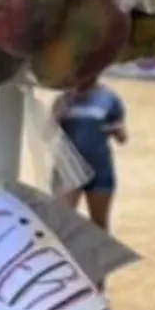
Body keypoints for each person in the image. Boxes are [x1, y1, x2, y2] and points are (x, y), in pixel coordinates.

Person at [53, 75, 129, 230]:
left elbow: (122, 137)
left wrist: (116, 130)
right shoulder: (63, 99)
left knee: (99, 225)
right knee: (61, 224)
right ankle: (65, 255)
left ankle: (99, 254)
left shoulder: (110, 99)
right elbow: (46, 133)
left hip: (99, 168)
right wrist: (60, 112)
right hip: (68, 169)